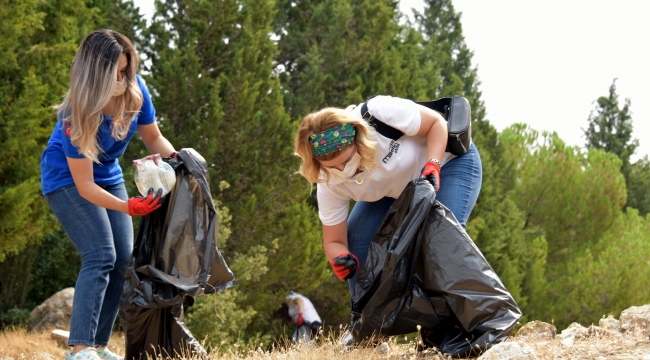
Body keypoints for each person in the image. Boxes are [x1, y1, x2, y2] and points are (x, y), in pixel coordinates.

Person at [40, 29, 176, 360]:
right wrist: (128, 206)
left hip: (108, 174)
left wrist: (180, 163)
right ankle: (80, 348)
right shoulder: (77, 111)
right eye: (115, 72)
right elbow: (85, 185)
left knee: (122, 262)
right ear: (94, 72)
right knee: (100, 254)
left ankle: (98, 348)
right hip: (67, 180)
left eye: (125, 70)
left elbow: (153, 138)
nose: (122, 78)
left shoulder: (136, 91)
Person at [294, 95, 482, 293]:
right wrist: (341, 259)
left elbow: (436, 123)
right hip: (392, 189)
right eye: (333, 166)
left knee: (443, 238)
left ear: (357, 139)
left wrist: (433, 163)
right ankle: (369, 321)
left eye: (347, 159)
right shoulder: (328, 182)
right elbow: (334, 241)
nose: (343, 170)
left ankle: (466, 314)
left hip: (446, 163)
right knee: (358, 242)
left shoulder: (378, 112)